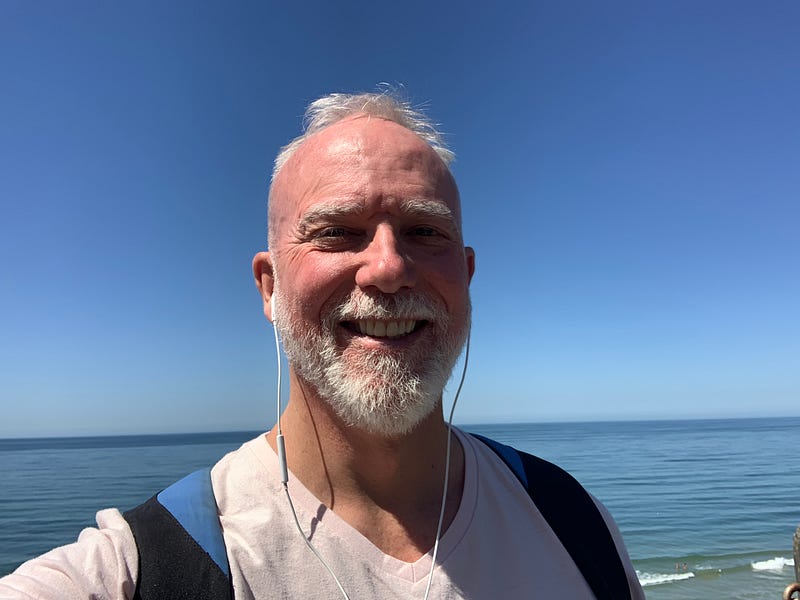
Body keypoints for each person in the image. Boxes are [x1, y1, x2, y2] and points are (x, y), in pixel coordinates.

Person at [0, 91, 645, 599]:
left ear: (468, 276)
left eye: (425, 230)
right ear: (269, 286)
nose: (389, 266)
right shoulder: (154, 563)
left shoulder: (570, 521)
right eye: (338, 232)